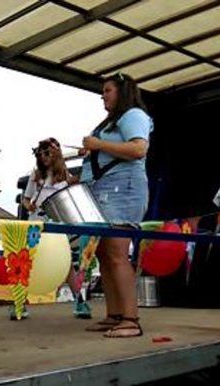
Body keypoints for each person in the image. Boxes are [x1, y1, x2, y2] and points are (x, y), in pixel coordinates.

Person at [79, 73, 152, 338]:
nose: (103, 96)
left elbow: (138, 149)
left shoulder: (133, 114)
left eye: (107, 90)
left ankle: (131, 320)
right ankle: (114, 315)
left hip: (124, 189)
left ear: (122, 91)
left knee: (117, 253)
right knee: (104, 254)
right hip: (106, 190)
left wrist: (98, 144)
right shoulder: (112, 122)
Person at [20, 137, 92, 321]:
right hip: (36, 224)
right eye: (41, 153)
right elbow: (25, 199)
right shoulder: (35, 175)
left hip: (58, 224)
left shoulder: (64, 174)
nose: (44, 157)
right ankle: (18, 303)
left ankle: (79, 301)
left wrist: (86, 157)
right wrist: (29, 206)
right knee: (26, 262)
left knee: (66, 263)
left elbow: (75, 187)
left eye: (48, 152)